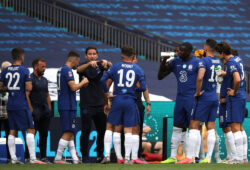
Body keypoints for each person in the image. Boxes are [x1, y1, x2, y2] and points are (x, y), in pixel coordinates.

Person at [100, 46, 146, 164]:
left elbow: (102, 80)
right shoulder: (138, 69)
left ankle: (107, 156)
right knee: (128, 130)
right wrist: (134, 87)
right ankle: (126, 158)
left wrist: (107, 93)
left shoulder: (115, 66)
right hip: (130, 101)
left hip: (117, 99)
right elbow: (143, 87)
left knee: (110, 127)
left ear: (122, 55)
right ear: (133, 56)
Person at [177, 39, 220, 164]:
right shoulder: (218, 61)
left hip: (204, 97)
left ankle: (189, 157)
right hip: (213, 97)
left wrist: (197, 92)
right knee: (211, 127)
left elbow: (200, 77)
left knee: (194, 126)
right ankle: (208, 158)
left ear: (205, 48)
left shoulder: (203, 61)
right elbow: (220, 78)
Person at [0, 48, 45, 164]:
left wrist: (9, 89)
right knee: (30, 129)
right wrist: (21, 87)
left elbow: (1, 88)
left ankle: (13, 159)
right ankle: (33, 158)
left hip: (10, 104)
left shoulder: (5, 71)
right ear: (21, 57)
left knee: (12, 131)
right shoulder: (24, 70)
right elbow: (29, 88)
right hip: (21, 104)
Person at [158, 42, 199, 164]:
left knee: (193, 129)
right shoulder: (176, 61)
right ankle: (172, 156)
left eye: (181, 51)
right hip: (180, 99)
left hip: (192, 99)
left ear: (188, 51)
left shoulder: (196, 63)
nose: (178, 52)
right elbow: (160, 76)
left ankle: (192, 156)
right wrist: (163, 62)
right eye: (178, 50)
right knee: (177, 127)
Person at [77, 47, 112, 163]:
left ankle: (100, 156)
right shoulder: (83, 66)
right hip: (86, 104)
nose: (92, 56)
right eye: (89, 54)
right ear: (86, 56)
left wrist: (107, 62)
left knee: (102, 131)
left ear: (97, 55)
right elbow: (78, 69)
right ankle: (85, 157)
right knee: (85, 131)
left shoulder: (100, 65)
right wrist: (88, 64)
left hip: (100, 105)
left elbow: (111, 66)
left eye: (94, 54)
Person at [54, 51, 89, 164]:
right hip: (68, 105)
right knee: (69, 131)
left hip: (65, 104)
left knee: (71, 131)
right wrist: (83, 81)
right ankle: (58, 158)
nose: (77, 65)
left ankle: (74, 158)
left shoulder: (60, 69)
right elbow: (73, 87)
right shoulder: (67, 70)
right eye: (77, 62)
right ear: (73, 60)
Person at [215, 42, 247, 164]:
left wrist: (234, 91)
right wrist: (226, 74)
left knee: (235, 128)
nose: (218, 55)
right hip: (242, 96)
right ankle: (243, 157)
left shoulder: (231, 62)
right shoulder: (238, 59)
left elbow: (238, 79)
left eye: (218, 53)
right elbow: (244, 77)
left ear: (222, 53)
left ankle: (238, 159)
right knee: (240, 127)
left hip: (236, 98)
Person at [24, 58, 51, 163]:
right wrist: (30, 109)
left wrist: (49, 108)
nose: (44, 68)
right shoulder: (30, 79)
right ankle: (27, 157)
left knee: (44, 134)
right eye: (42, 66)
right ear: (36, 67)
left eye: (45, 66)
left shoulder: (44, 80)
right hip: (35, 109)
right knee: (32, 134)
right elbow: (27, 95)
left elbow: (47, 94)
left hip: (44, 110)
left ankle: (43, 157)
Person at [0, 61, 11, 163]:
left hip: (9, 114)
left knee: (10, 136)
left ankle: (10, 158)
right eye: (7, 69)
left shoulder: (11, 81)